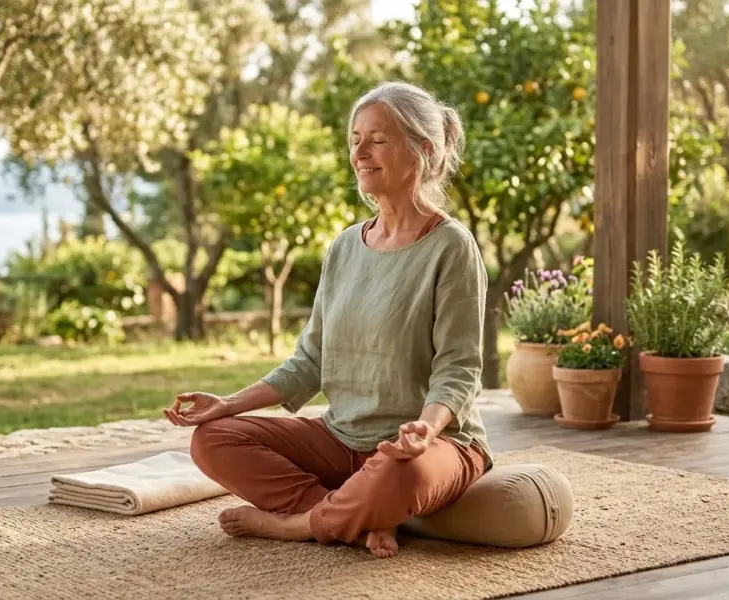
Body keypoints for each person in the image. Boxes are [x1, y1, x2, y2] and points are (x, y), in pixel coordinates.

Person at [164, 80, 492, 559]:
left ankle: (294, 526)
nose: (360, 152)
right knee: (213, 440)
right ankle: (351, 519)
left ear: (423, 149)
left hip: (435, 442)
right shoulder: (344, 247)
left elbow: (459, 368)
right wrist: (228, 405)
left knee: (402, 472)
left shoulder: (451, 246)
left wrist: (425, 428)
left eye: (378, 139)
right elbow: (310, 361)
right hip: (341, 438)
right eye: (355, 139)